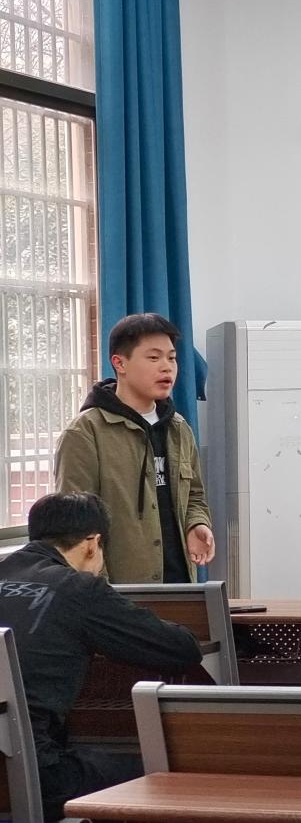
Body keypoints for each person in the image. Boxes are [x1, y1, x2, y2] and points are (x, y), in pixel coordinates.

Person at [0, 491, 203, 820]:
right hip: (37, 773)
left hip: (8, 770)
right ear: (92, 544)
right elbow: (182, 649)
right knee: (163, 773)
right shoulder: (79, 590)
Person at [54, 312, 215, 583]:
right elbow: (75, 527)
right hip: (119, 591)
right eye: (153, 358)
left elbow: (195, 495)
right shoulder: (85, 433)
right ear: (120, 363)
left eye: (172, 358)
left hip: (180, 585)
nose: (167, 367)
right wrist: (101, 592)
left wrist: (196, 524)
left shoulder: (178, 428)